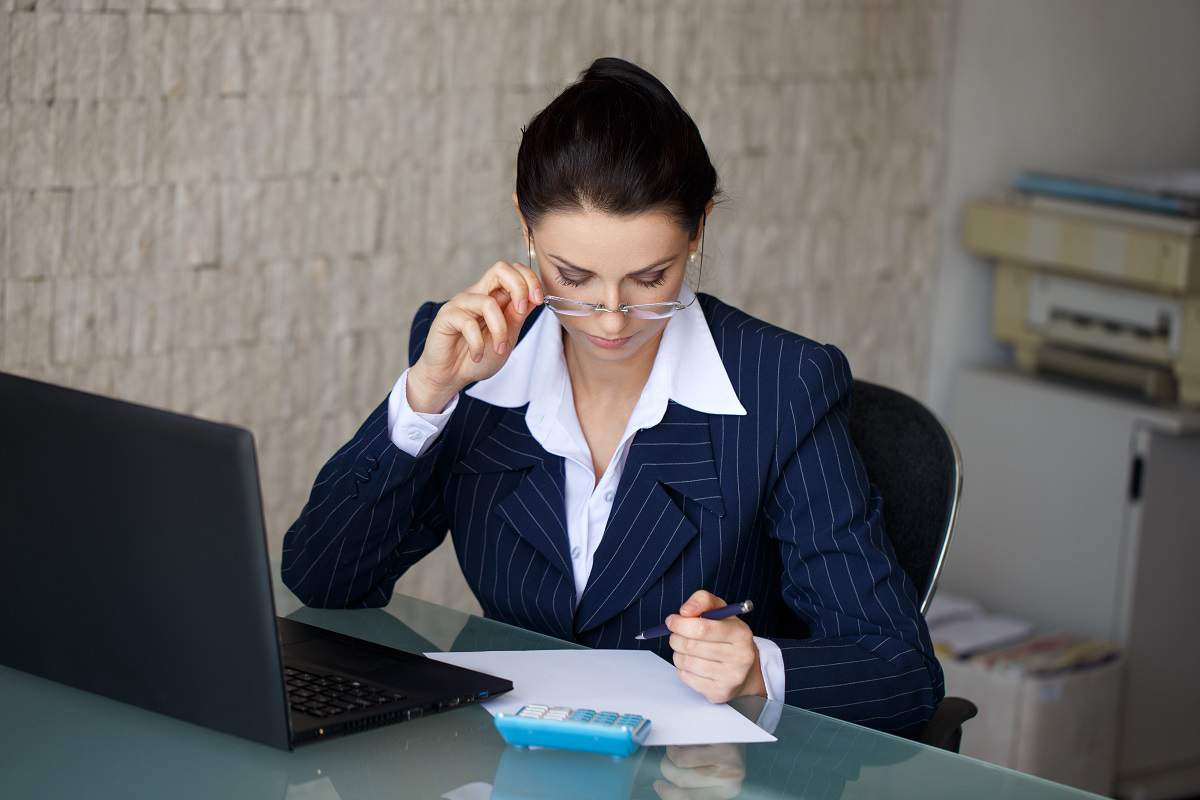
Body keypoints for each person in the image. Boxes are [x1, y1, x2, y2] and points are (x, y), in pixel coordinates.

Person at [282, 57, 943, 735]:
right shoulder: (476, 361)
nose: (610, 319)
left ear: (698, 230)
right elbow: (324, 581)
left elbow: (899, 670)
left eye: (650, 278)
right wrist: (427, 395)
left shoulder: (782, 386)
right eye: (573, 275)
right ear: (525, 226)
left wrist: (758, 670)